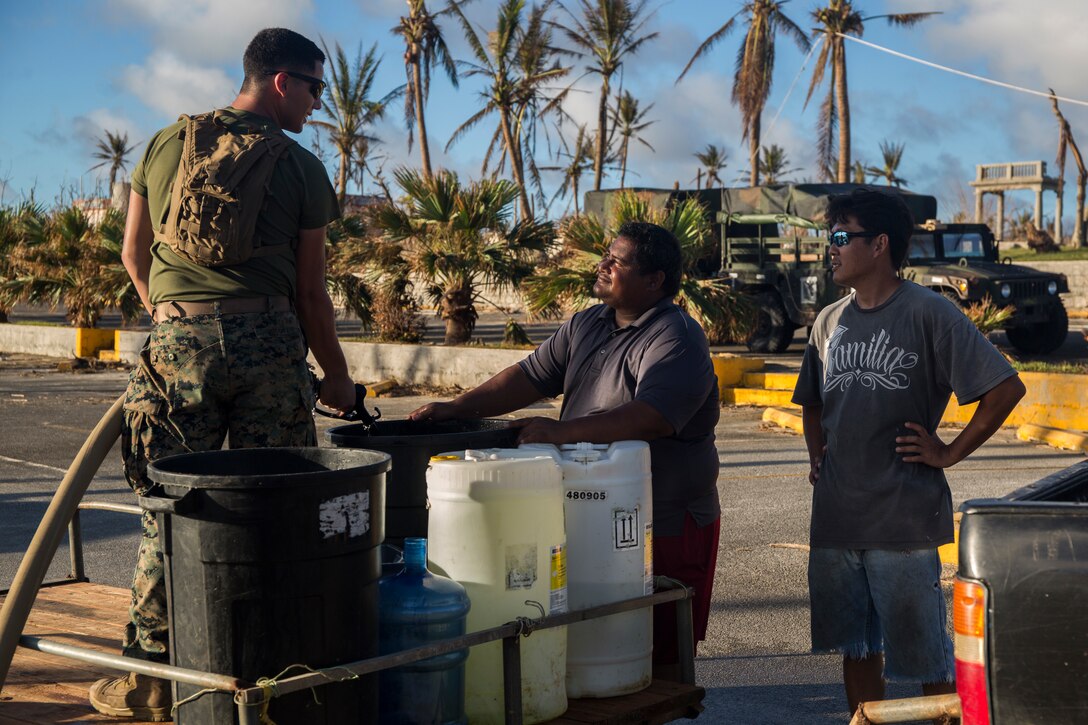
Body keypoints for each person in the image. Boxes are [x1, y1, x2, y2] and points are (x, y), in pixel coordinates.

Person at [89, 28, 357, 721]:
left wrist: (176, 319)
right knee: (279, 502)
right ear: (279, 82)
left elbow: (132, 251)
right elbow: (310, 295)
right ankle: (273, 668)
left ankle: (148, 677)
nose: (317, 103)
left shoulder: (162, 144)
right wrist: (338, 377)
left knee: (169, 504)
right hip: (269, 340)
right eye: (313, 87)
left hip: (177, 342)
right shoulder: (298, 167)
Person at [410, 221, 721, 678]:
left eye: (617, 261)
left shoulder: (676, 337)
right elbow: (528, 377)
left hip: (663, 522)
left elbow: (650, 415)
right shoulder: (587, 323)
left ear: (654, 280)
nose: (603, 265)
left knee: (660, 652)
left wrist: (559, 433)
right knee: (595, 645)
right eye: (605, 255)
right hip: (585, 512)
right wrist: (456, 408)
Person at [791, 188, 1026, 717]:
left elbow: (1004, 388)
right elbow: (810, 401)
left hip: (903, 520)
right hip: (836, 520)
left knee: (924, 656)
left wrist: (949, 452)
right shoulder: (828, 321)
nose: (830, 248)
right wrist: (817, 454)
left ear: (878, 245)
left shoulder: (928, 312)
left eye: (839, 237)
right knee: (856, 647)